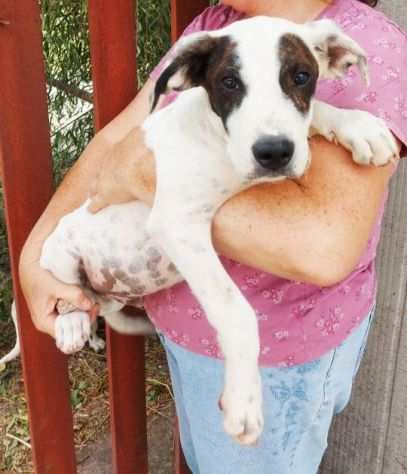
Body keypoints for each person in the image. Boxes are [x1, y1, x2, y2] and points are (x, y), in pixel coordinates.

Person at [19, 0, 407, 472]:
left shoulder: (370, 44)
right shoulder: (217, 28)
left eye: (301, 79)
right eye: (228, 83)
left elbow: (325, 250)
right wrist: (35, 257)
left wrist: (144, 174)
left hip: (274, 359)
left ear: (336, 61)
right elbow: (115, 140)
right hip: (186, 331)